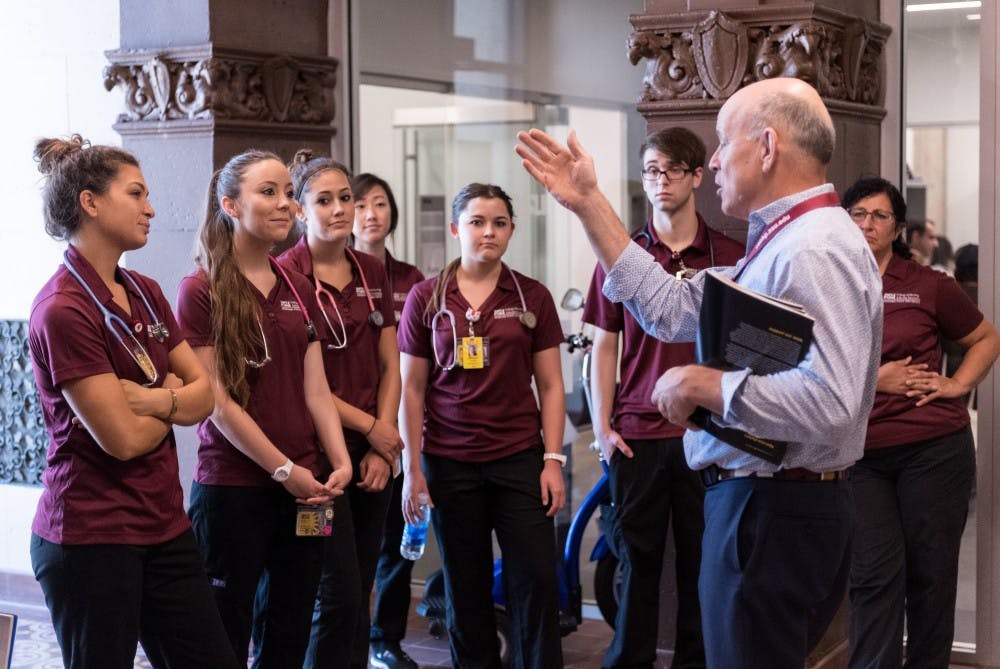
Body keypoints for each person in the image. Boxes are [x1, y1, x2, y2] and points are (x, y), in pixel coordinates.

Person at [516, 77, 883, 668]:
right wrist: (589, 203)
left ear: (767, 146)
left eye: (722, 141)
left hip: (774, 512)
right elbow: (668, 308)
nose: (712, 161)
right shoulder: (787, 240)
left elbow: (831, 400)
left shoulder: (812, 247)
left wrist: (702, 384)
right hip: (768, 508)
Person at [27, 135, 240, 669]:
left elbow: (203, 395)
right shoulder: (63, 308)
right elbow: (119, 441)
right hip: (90, 535)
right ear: (90, 202)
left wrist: (150, 401)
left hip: (163, 524)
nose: (151, 209)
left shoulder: (143, 288)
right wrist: (173, 397)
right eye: (137, 194)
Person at [176, 149, 353, 668]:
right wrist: (282, 469)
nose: (285, 204)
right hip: (236, 489)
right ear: (230, 204)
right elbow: (218, 404)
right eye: (268, 192)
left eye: (287, 193)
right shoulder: (201, 289)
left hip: (307, 490)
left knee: (291, 626)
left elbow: (316, 390)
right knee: (225, 629)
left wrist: (337, 461)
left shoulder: (297, 284)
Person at [582, 127, 743, 669]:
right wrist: (603, 427)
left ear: (698, 176)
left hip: (708, 433)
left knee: (705, 563)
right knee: (636, 562)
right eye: (652, 169)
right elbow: (604, 349)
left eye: (673, 169)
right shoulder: (620, 252)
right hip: (638, 433)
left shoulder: (731, 255)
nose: (661, 180)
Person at [397, 183, 567, 668]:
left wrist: (552, 460)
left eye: (498, 223)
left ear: (511, 230)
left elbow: (551, 386)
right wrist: (413, 469)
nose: (487, 232)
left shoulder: (532, 296)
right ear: (456, 229)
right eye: (476, 222)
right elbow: (411, 389)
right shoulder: (426, 299)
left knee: (534, 578)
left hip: (519, 460)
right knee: (464, 583)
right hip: (450, 463)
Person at [841, 177, 1000, 669]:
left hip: (934, 449)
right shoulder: (828, 283)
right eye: (858, 214)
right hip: (860, 454)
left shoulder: (929, 284)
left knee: (931, 578)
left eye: (879, 216)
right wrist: (876, 382)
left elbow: (986, 339)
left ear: (898, 228)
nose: (867, 224)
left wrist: (957, 387)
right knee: (872, 578)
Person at [276, 152, 403, 669]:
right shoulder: (285, 277)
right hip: (317, 459)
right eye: (323, 200)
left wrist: (382, 441)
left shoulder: (372, 270)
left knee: (361, 589)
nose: (340, 209)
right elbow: (309, 385)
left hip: (374, 452)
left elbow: (389, 364)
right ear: (302, 211)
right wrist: (374, 429)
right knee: (336, 593)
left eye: (345, 198)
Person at [352, 172, 426, 669]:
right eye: (360, 204)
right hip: (355, 422)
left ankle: (386, 638)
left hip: (401, 424)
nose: (370, 214)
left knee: (399, 539)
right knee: (352, 547)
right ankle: (349, 636)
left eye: (380, 204)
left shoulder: (410, 278)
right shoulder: (332, 273)